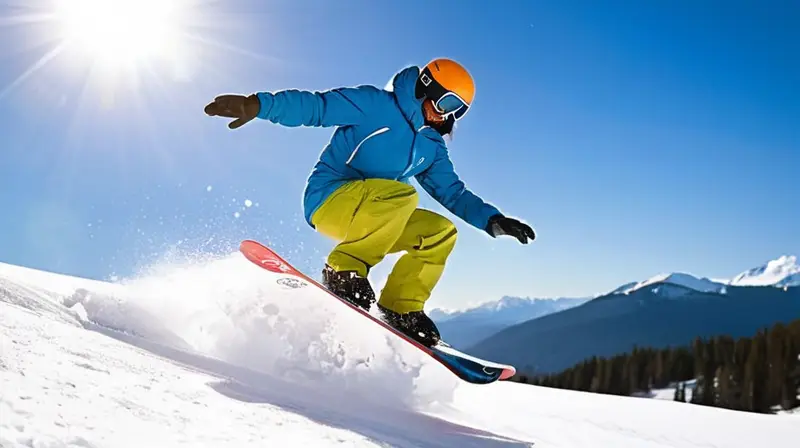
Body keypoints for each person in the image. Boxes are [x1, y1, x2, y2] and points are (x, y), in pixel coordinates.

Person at [204, 58, 536, 347]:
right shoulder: (375, 104)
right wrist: (259, 105)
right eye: (447, 103)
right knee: (404, 195)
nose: (447, 116)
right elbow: (317, 107)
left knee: (440, 232)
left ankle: (402, 306)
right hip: (330, 199)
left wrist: (493, 219)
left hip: (379, 216)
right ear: (426, 88)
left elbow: (453, 192)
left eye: (458, 111)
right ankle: (343, 268)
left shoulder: (431, 146)